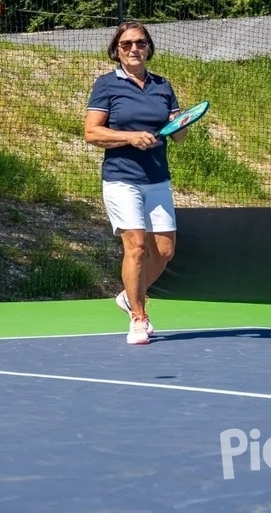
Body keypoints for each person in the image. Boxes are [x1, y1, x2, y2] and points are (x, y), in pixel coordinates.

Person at [84, 21, 187, 345]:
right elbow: (91, 133)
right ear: (116, 50)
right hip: (122, 179)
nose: (133, 49)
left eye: (140, 43)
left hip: (157, 178)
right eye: (126, 44)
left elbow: (179, 134)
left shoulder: (162, 86)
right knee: (137, 247)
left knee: (165, 251)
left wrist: (179, 124)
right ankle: (139, 318)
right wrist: (130, 137)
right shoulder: (106, 85)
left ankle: (130, 296)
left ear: (148, 48)